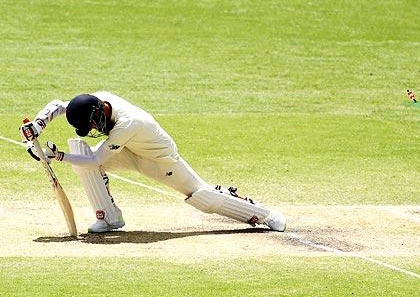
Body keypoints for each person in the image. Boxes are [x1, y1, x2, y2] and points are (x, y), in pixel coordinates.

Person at [20, 91, 286, 233]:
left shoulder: (126, 123)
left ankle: (264, 214)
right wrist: (38, 125)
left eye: (90, 125)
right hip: (129, 150)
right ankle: (110, 219)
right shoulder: (94, 101)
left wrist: (57, 156)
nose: (92, 129)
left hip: (159, 159)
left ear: (99, 112)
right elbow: (57, 104)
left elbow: (98, 158)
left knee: (202, 197)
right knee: (83, 159)